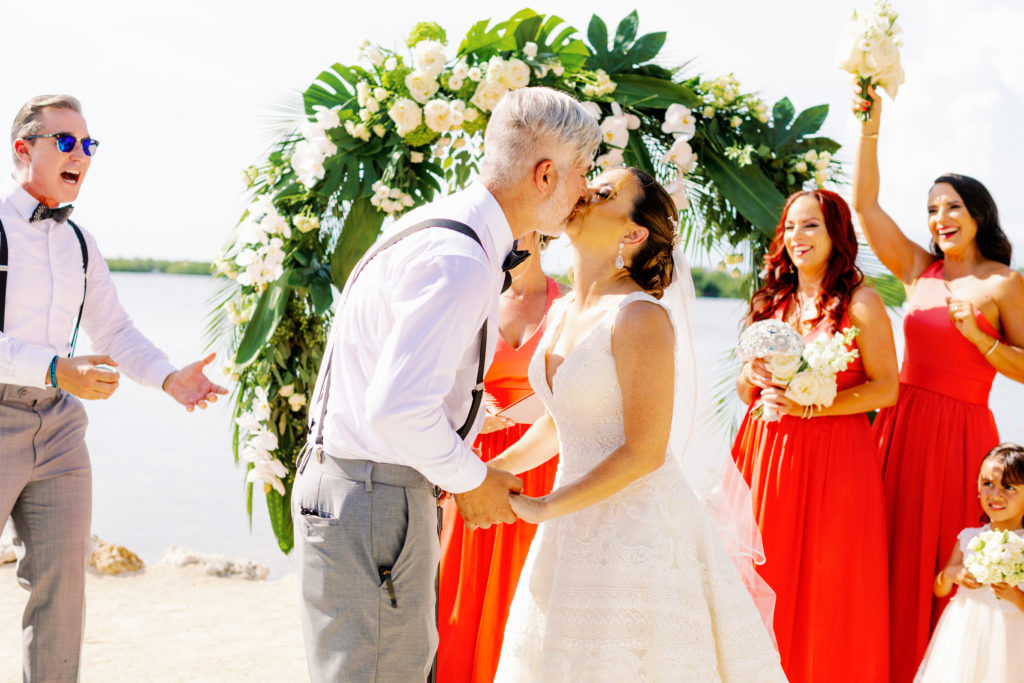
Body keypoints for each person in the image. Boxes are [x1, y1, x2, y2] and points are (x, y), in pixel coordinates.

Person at [291, 86, 601, 682]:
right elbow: (398, 411)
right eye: (582, 172)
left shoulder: (440, 232)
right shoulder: (458, 261)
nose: (585, 189)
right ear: (544, 175)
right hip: (376, 497)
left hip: (362, 489)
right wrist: (474, 479)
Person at [490, 167, 786, 682]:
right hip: (571, 527)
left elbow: (645, 451)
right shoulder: (561, 312)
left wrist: (543, 507)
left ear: (633, 234)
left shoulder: (639, 317)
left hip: (638, 536)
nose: (583, 194)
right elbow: (565, 425)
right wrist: (483, 472)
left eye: (604, 193)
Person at [0, 94, 227, 682]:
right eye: (67, 142)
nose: (82, 155)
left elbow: (116, 330)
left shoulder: (80, 243)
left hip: (60, 429)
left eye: (88, 145)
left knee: (63, 592)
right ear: (24, 150)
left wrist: (171, 378)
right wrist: (56, 367)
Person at [851, 86, 1024, 682]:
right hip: (900, 428)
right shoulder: (916, 269)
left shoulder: (1004, 284)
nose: (939, 219)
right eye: (931, 209)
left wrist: (980, 341)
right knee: (892, 556)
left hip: (962, 436)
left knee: (948, 565)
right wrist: (870, 125)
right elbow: (865, 203)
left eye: (951, 207)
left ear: (978, 215)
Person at [732, 189, 897, 682]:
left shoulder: (860, 303)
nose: (797, 237)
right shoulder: (772, 302)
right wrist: (753, 374)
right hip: (767, 454)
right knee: (767, 576)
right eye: (790, 227)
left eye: (812, 226)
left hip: (835, 461)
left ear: (836, 236)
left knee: (830, 582)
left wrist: (812, 408)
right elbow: (745, 391)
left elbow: (886, 389)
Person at [437, 230, 564, 683]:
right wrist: (469, 409)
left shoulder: (568, 305)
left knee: (524, 594)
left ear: (542, 233)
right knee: (459, 591)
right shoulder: (472, 299)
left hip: (540, 464)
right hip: (469, 461)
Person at [914, 443, 1024, 682]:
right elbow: (939, 588)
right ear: (977, 488)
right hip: (965, 632)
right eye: (988, 484)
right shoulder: (970, 537)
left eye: (1009, 487)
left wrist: (1015, 595)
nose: (996, 495)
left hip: (1011, 638)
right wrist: (952, 574)